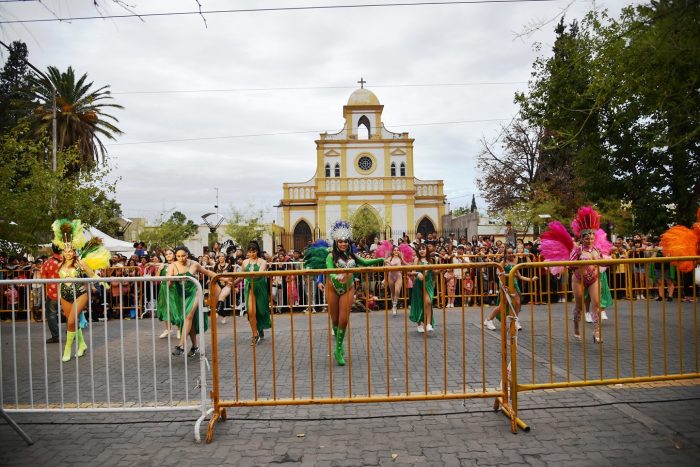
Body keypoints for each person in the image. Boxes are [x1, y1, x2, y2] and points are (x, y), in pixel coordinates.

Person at [303, 221, 384, 365]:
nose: (343, 244)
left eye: (345, 241)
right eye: (340, 241)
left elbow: (365, 263)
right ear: (336, 242)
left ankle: (338, 349)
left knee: (344, 320)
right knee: (335, 320)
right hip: (332, 288)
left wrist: (383, 259)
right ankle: (338, 347)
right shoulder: (330, 256)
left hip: (348, 288)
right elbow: (330, 271)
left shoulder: (353, 256)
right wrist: (336, 276)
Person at [540, 207, 612, 343]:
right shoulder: (577, 250)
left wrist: (609, 262)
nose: (589, 240)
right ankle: (576, 326)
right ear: (582, 238)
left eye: (591, 237)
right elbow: (571, 265)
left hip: (594, 278)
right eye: (587, 237)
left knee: (596, 304)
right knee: (579, 306)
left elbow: (603, 263)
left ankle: (596, 332)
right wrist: (580, 262)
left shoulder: (597, 250)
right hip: (578, 279)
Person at [51, 219, 110, 362]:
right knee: (70, 322)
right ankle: (82, 344)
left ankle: (67, 349)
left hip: (80, 293)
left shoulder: (80, 262)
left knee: (71, 320)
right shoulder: (59, 264)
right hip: (64, 294)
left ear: (74, 251)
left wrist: (101, 284)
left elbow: (92, 274)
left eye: (70, 250)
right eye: (65, 250)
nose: (67, 253)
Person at [167, 246, 218, 356]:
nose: (181, 258)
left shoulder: (194, 264)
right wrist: (169, 282)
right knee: (188, 321)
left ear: (187, 254)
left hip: (195, 293)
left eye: (183, 255)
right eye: (178, 256)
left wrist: (223, 278)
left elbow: (208, 272)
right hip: (181, 295)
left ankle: (181, 346)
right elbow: (168, 280)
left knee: (188, 316)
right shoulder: (172, 266)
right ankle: (195, 347)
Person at [483, 248, 537, 331]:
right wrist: (507, 275)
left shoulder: (515, 263)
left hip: (514, 286)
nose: (511, 254)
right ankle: (488, 320)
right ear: (505, 254)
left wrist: (531, 279)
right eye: (509, 253)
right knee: (502, 305)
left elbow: (519, 276)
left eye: (512, 252)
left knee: (518, 303)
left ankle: (515, 320)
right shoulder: (503, 262)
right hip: (506, 286)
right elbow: (498, 272)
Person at [232, 241, 272, 346]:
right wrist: (232, 283)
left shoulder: (262, 262)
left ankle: (260, 328)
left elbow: (260, 273)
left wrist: (252, 274)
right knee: (251, 312)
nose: (252, 254)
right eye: (250, 252)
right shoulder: (245, 262)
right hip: (250, 288)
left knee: (261, 312)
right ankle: (255, 334)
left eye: (254, 251)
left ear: (257, 251)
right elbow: (242, 276)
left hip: (260, 287)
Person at [410, 243, 435, 333]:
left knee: (428, 302)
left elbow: (433, 272)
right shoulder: (417, 259)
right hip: (418, 284)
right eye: (420, 249)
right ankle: (419, 324)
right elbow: (412, 272)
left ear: (427, 250)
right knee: (419, 303)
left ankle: (428, 324)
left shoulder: (431, 260)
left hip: (428, 284)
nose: (422, 250)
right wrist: (417, 273)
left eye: (423, 248)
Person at [40, 244, 63, 343]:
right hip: (68, 292)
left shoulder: (48, 262)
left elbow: (43, 277)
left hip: (53, 293)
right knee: (70, 313)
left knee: (51, 314)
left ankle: (55, 336)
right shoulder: (68, 261)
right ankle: (72, 334)